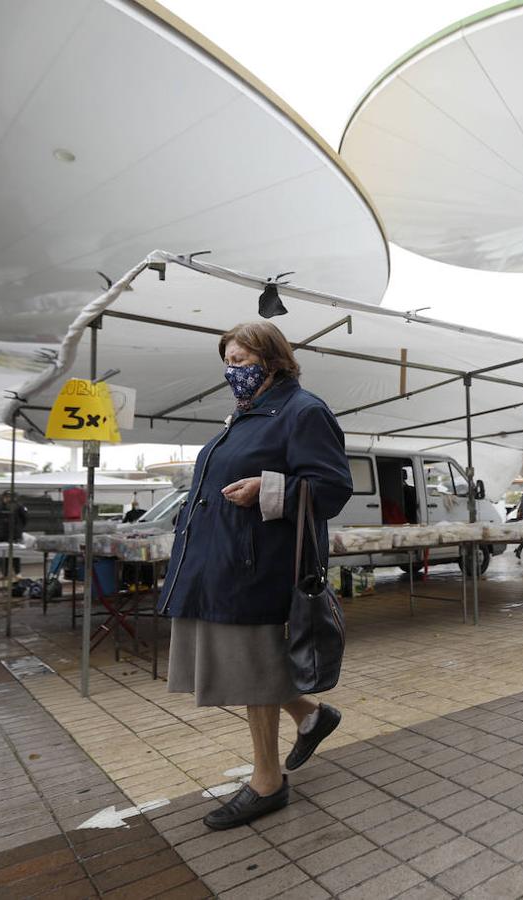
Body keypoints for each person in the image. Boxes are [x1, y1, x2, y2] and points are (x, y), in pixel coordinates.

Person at [160, 321, 353, 831]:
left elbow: (330, 487)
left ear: (274, 359)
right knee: (250, 665)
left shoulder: (302, 410)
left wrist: (270, 489)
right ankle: (312, 716)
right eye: (229, 361)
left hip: (258, 567)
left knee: (253, 672)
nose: (234, 371)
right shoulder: (246, 416)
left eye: (243, 361)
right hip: (222, 564)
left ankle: (267, 782)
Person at [0, 491, 28, 573]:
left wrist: (18, 529)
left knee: (15, 554)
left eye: (11, 497)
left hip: (15, 534)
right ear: (4, 497)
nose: (9, 498)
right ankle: (4, 573)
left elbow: (24, 519)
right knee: (4, 554)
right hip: (2, 534)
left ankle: (17, 573)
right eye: (7, 497)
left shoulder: (19, 506)